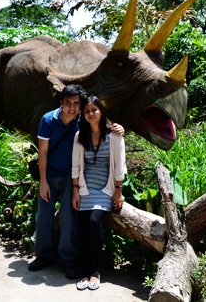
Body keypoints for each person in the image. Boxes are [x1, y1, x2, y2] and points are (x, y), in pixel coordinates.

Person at [29, 85, 124, 280]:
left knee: (69, 217)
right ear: (61, 103)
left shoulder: (83, 119)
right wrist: (43, 181)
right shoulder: (48, 120)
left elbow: (101, 122)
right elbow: (43, 152)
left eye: (76, 104)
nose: (72, 108)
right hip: (50, 175)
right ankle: (44, 255)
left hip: (71, 179)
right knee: (43, 217)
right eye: (67, 103)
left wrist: (119, 127)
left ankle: (68, 260)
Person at [71, 95, 126, 291]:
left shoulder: (115, 136)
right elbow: (76, 166)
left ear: (101, 111)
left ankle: (95, 272)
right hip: (85, 189)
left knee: (94, 222)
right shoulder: (80, 136)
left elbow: (120, 166)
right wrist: (75, 191)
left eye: (94, 109)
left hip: (105, 189)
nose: (90, 114)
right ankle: (83, 272)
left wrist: (118, 190)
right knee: (82, 227)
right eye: (86, 111)